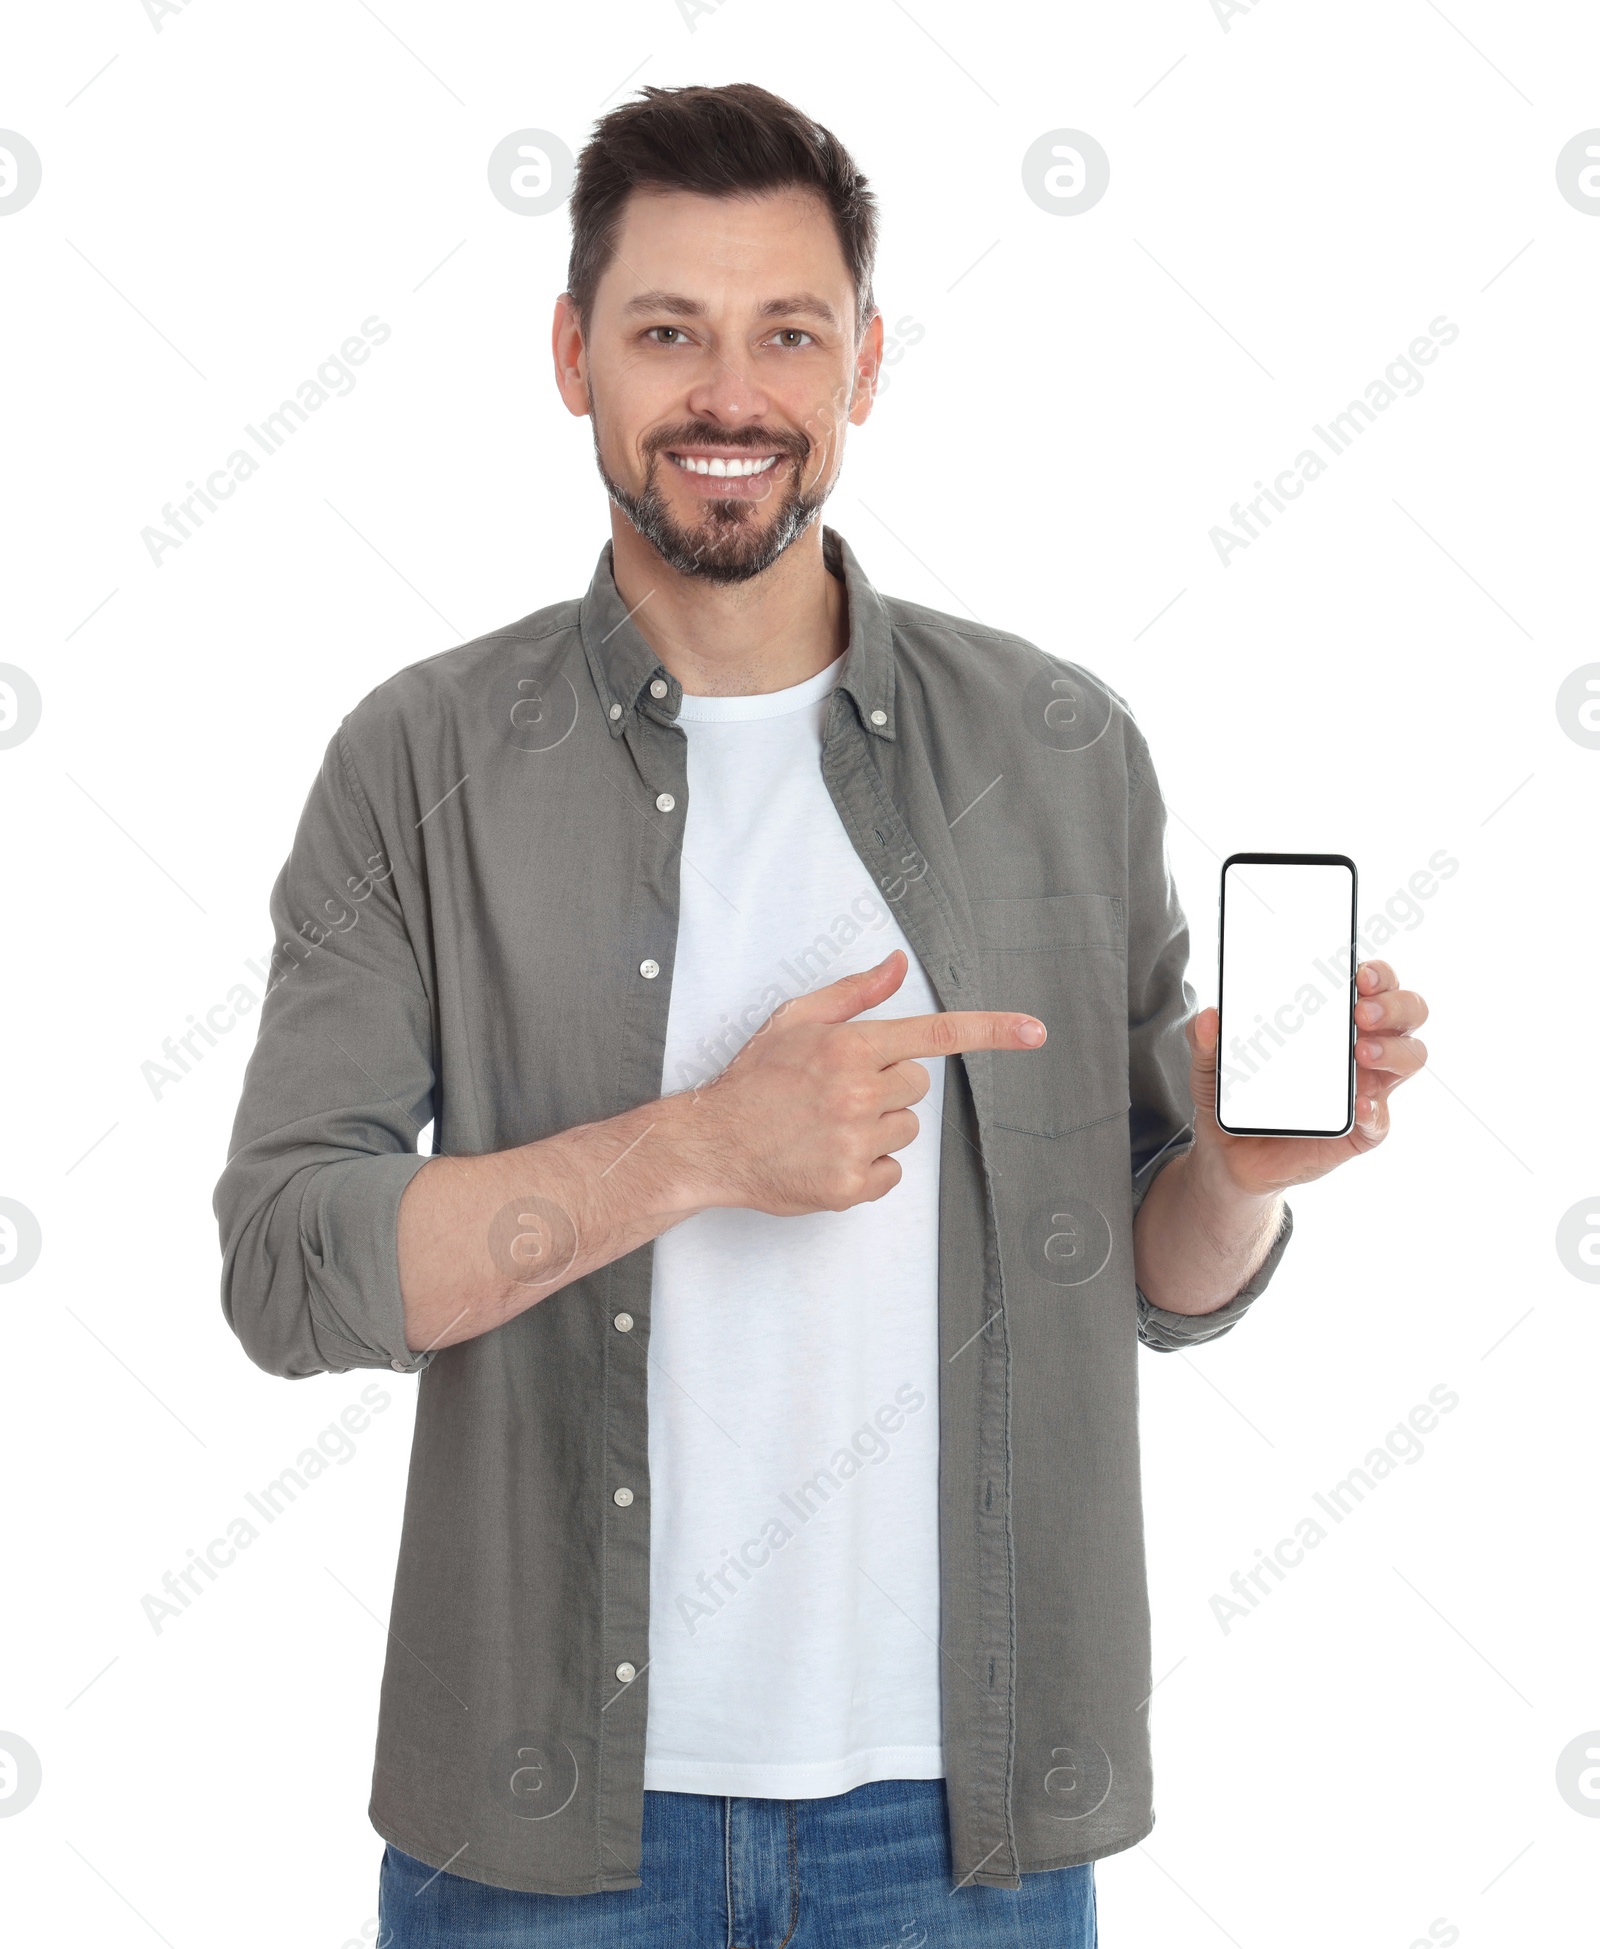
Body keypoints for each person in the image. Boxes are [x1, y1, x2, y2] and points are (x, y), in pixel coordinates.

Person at [214, 81, 1429, 1948]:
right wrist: (704, 1142)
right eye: (667, 333)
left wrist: (1243, 1168)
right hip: (536, 1829)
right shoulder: (420, 761)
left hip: (960, 1831)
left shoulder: (1059, 745)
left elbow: (1157, 1277)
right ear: (572, 358)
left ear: (864, 364)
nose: (730, 395)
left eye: (788, 332)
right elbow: (294, 1270)